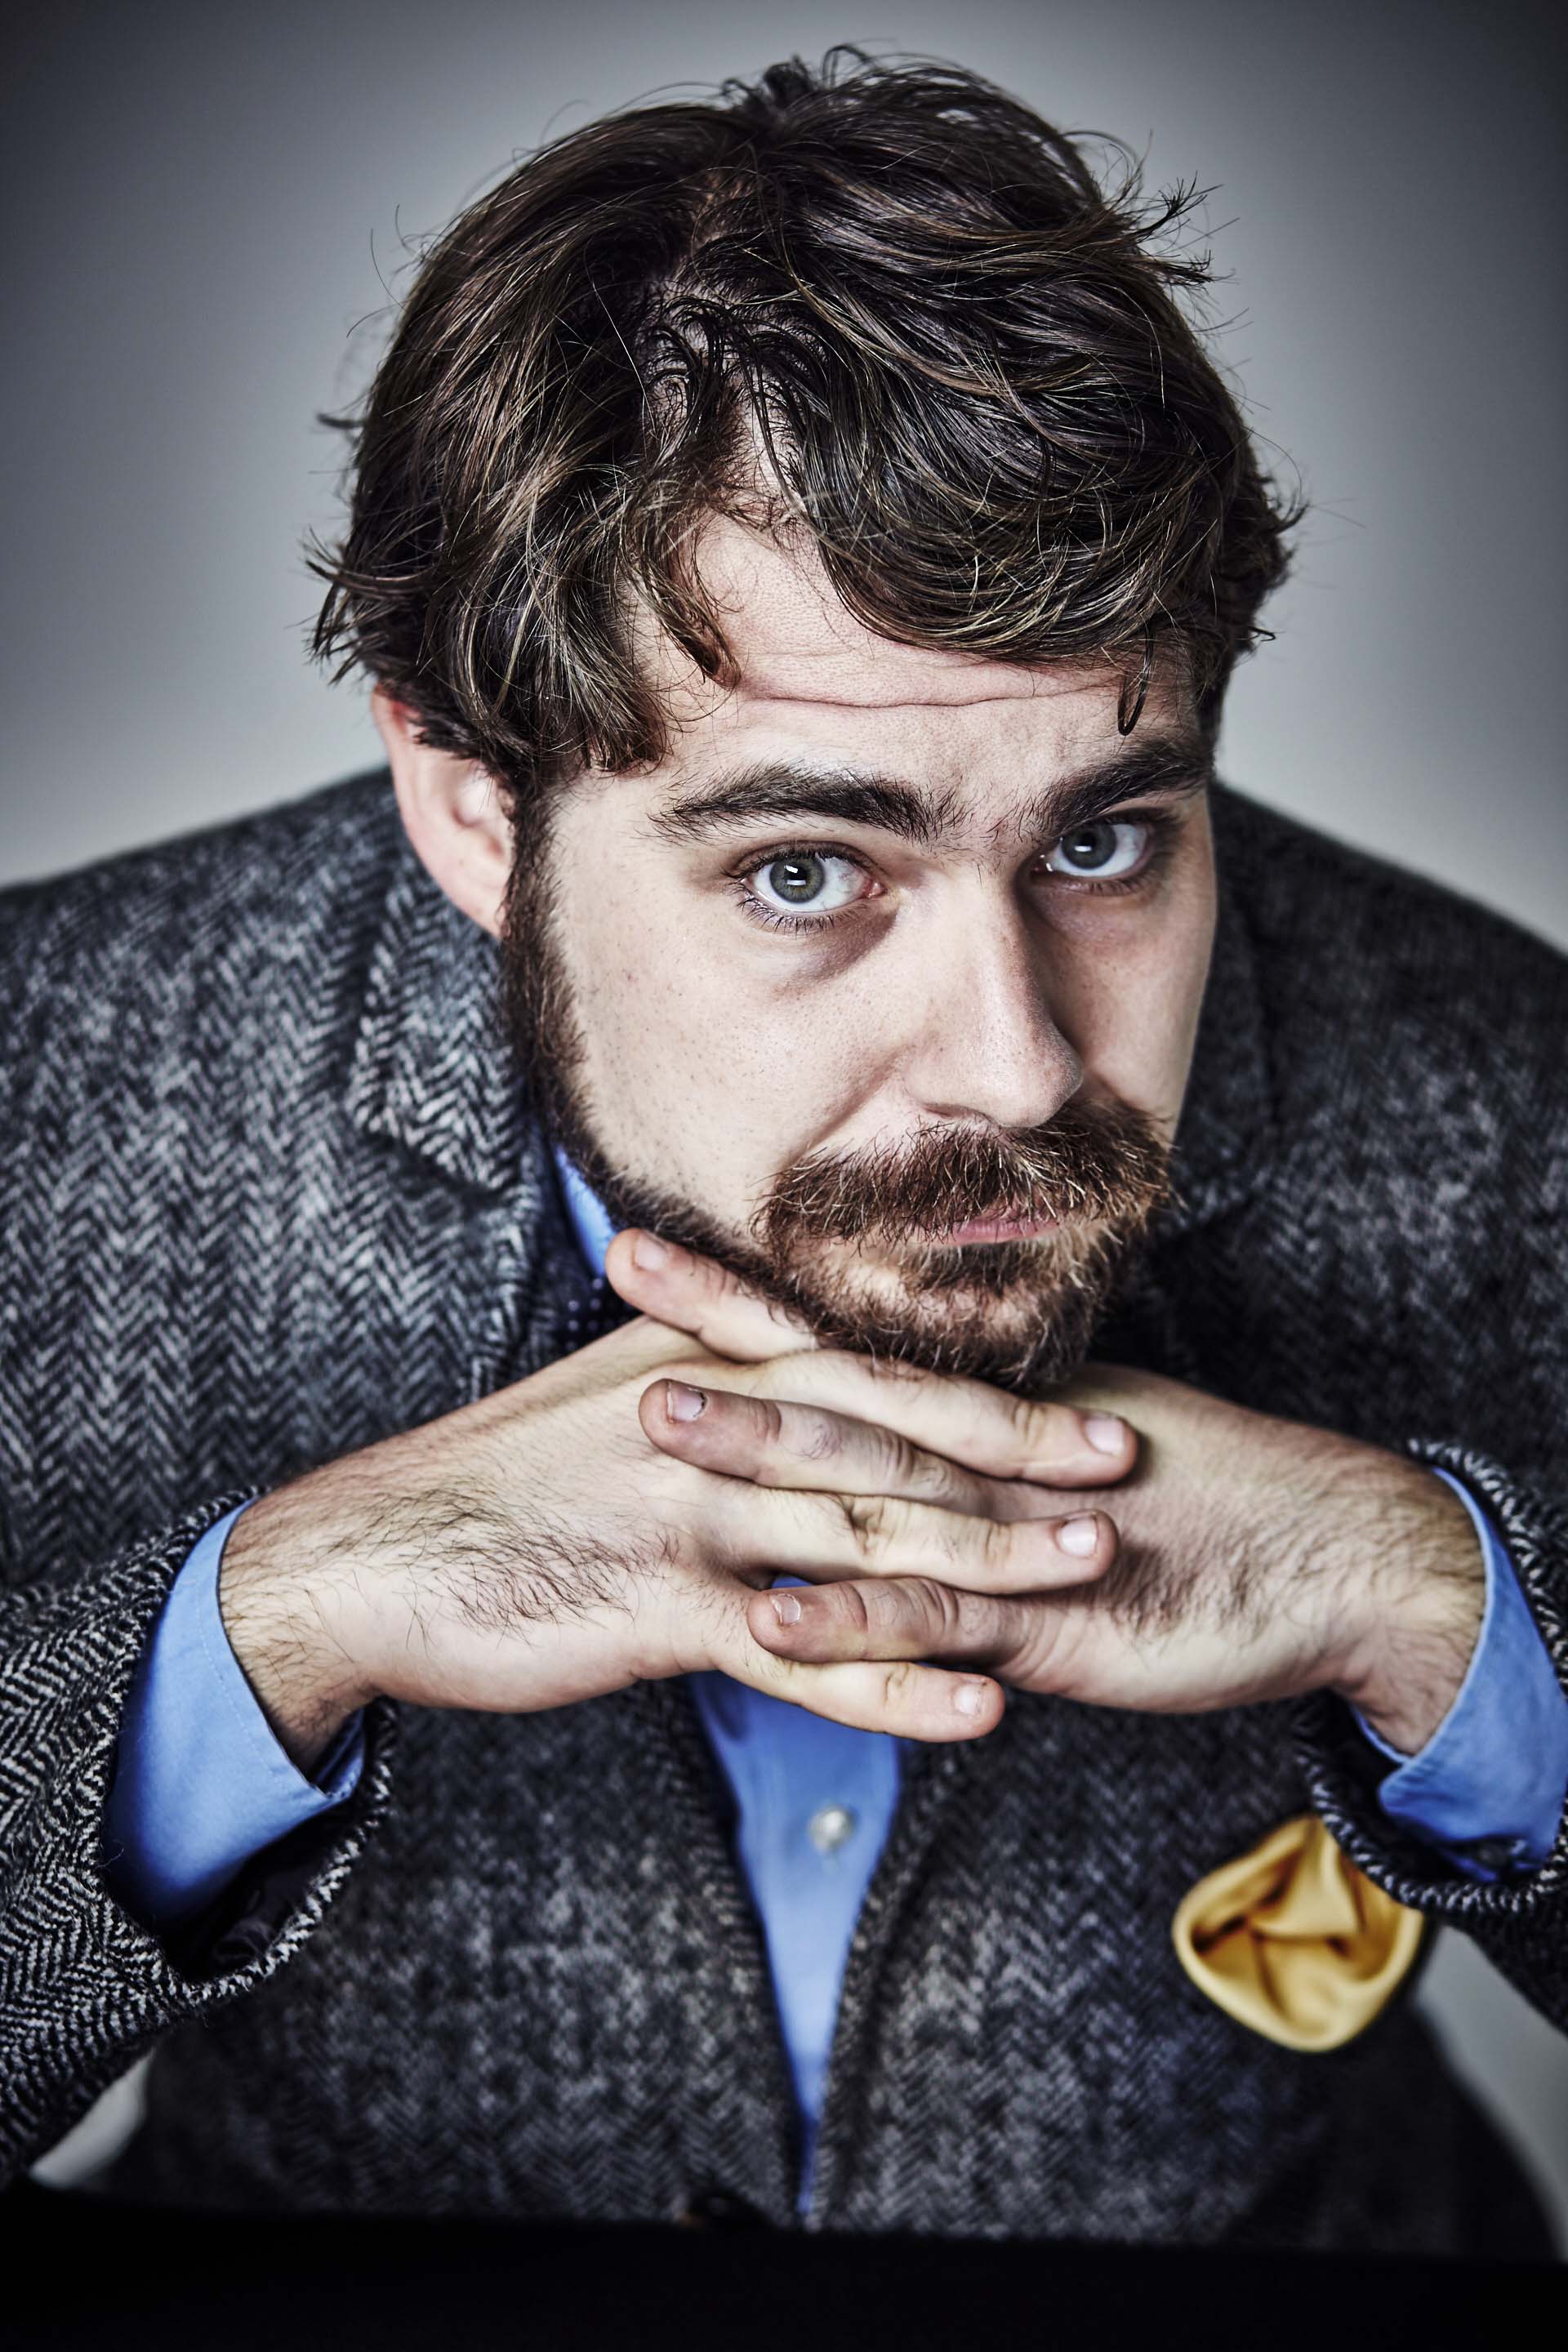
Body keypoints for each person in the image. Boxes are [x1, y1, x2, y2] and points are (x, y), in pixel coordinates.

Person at [2, 51, 1564, 2256]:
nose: (1014, 1069)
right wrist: (262, 1637)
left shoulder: (1499, 1084)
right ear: (472, 809)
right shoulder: (50, 1091)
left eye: (1102, 841)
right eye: (809, 872)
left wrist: (1446, 1617)